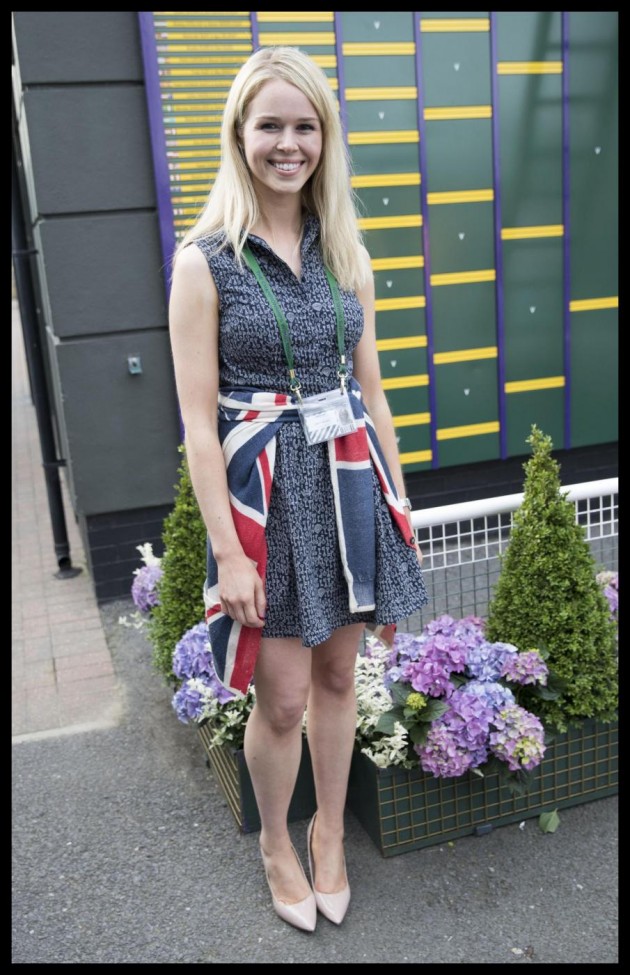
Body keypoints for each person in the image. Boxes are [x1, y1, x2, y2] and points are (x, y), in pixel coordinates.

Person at [168, 45, 428, 932]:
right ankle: (276, 840)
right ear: (239, 135)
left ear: (326, 137)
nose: (289, 143)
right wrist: (230, 551)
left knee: (338, 677)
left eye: (306, 126)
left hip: (349, 489)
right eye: (271, 125)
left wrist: (398, 504)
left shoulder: (345, 249)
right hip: (266, 502)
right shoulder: (204, 262)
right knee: (280, 697)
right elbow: (199, 423)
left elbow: (374, 392)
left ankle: (329, 833)